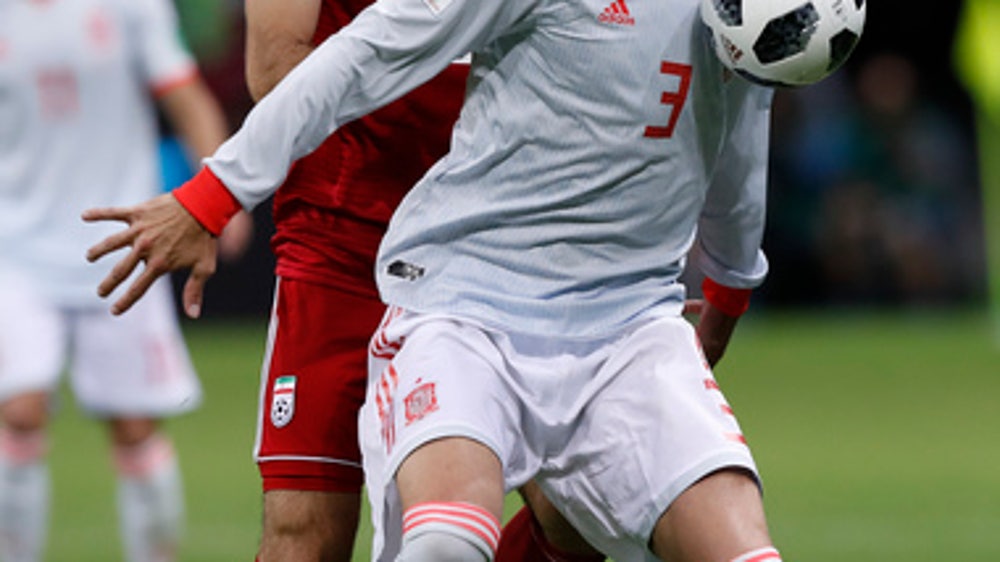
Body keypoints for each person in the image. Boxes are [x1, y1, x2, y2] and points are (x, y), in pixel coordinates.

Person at [84, 0, 784, 560]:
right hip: (408, 260)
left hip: (624, 315)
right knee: (343, 531)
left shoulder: (744, 22)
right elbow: (313, 65)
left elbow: (739, 133)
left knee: (573, 531)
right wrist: (214, 195)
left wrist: (729, 283)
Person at [244, 1, 603, 560]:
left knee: (581, 515)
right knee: (303, 534)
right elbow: (273, 71)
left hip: (502, 243)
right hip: (344, 241)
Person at [0, 0, 236, 560]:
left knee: (135, 425)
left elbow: (186, 95)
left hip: (121, 242)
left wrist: (223, 192)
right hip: (15, 244)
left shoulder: (132, 5)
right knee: (20, 411)